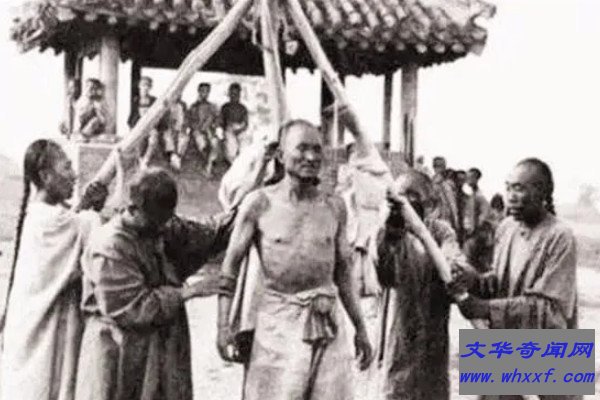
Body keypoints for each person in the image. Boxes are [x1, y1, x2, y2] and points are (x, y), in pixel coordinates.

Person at [217, 120, 373, 400]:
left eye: (317, 149)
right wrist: (223, 327)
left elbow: (343, 273)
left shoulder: (334, 206)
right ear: (280, 154)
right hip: (277, 324)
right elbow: (229, 269)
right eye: (301, 148)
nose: (311, 157)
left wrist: (360, 328)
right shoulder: (258, 204)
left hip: (328, 323)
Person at [74, 167, 261, 400]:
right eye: (156, 222)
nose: (163, 228)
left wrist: (253, 200)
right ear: (132, 208)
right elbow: (132, 308)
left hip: (159, 351)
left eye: (166, 220)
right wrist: (189, 292)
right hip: (119, 350)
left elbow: (209, 234)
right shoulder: (109, 246)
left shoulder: (161, 226)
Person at [451, 158, 579, 400]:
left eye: (519, 188)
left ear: (542, 191)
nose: (510, 196)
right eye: (508, 187)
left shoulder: (560, 236)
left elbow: (549, 309)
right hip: (504, 344)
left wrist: (484, 308)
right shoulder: (507, 227)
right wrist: (473, 280)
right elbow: (500, 282)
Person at [0, 139, 108, 400]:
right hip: (40, 341)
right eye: (67, 167)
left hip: (27, 337)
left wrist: (86, 206)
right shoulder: (52, 221)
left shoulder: (38, 216)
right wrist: (93, 208)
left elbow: (75, 224)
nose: (74, 174)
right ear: (46, 176)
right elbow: (87, 229)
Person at [376, 169, 469, 400]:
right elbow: (384, 274)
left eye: (413, 195)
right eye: (400, 196)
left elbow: (453, 263)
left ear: (431, 204)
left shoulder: (440, 231)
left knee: (432, 388)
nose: (406, 202)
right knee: (397, 388)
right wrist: (390, 234)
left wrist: (423, 236)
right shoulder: (389, 233)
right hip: (399, 336)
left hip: (432, 336)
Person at [128, 77, 169, 169]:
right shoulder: (136, 100)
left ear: (150, 87)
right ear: (139, 86)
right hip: (139, 127)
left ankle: (146, 159)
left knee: (153, 138)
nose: (145, 88)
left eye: (147, 85)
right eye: (143, 85)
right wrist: (132, 128)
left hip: (151, 127)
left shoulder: (154, 100)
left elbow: (159, 115)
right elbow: (132, 117)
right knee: (137, 139)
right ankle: (140, 159)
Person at [184, 83, 221, 176]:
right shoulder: (193, 106)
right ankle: (206, 163)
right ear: (199, 92)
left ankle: (209, 166)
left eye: (207, 91)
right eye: (203, 91)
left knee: (215, 143)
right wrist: (197, 128)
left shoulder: (212, 107)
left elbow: (218, 120)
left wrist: (213, 125)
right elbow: (189, 121)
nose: (205, 93)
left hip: (209, 131)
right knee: (202, 144)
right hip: (197, 131)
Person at [462, 168, 493, 270]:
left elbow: (484, 214)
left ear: (476, 179)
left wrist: (474, 229)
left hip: (475, 234)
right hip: (472, 233)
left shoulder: (479, 195)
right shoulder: (472, 195)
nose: (468, 179)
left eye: (470, 177)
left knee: (469, 260)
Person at [220, 83, 249, 163]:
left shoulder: (242, 108)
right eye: (232, 94)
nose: (234, 96)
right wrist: (228, 128)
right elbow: (221, 122)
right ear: (229, 94)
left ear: (239, 95)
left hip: (240, 130)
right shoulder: (225, 107)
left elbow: (246, 123)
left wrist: (240, 129)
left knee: (244, 146)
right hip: (229, 130)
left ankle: (241, 162)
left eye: (236, 94)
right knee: (231, 149)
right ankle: (232, 162)